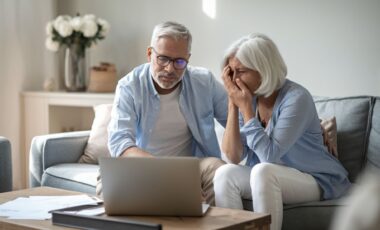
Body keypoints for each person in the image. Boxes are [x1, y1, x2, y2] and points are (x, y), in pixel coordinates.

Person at [213, 33, 351, 230]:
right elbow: (233, 156)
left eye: (241, 71)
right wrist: (232, 104)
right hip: (269, 176)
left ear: (263, 69)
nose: (234, 80)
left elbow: (269, 156)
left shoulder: (296, 98)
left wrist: (245, 108)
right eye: (231, 72)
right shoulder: (249, 99)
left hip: (314, 178)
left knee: (263, 170)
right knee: (224, 174)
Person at [102, 21, 227, 205]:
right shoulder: (129, 86)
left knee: (219, 170)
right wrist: (169, 174)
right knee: (106, 185)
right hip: (143, 167)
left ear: (188, 59)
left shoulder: (204, 82)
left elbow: (237, 123)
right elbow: (120, 144)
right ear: (149, 54)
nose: (170, 69)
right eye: (163, 59)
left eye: (179, 62)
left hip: (190, 167)